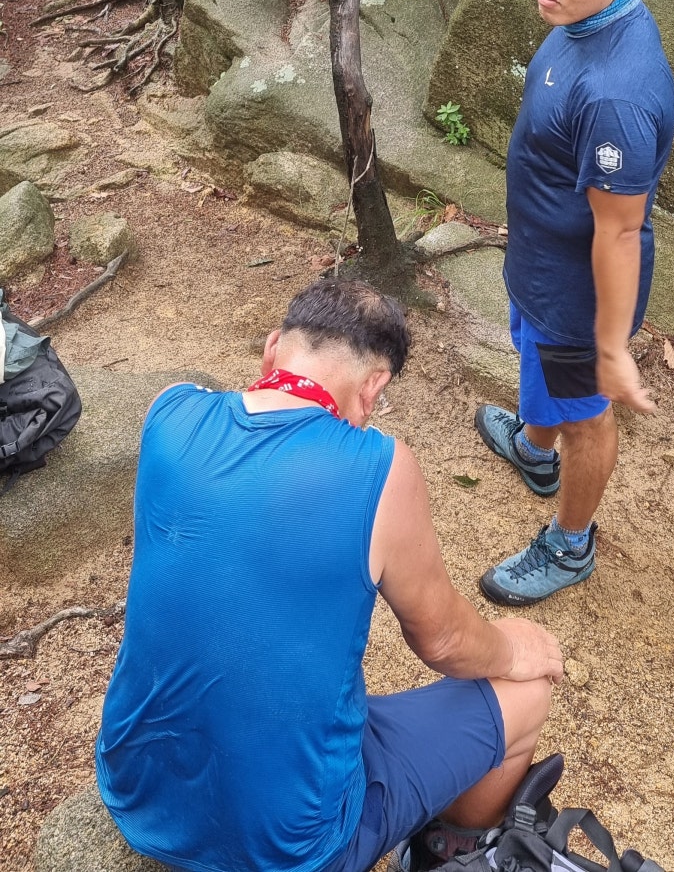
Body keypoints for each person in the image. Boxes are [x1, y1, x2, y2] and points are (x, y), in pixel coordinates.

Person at [96, 278, 563, 872]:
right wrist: (513, 647)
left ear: (272, 350)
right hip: (292, 845)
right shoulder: (379, 466)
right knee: (528, 692)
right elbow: (443, 641)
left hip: (137, 792)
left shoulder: (170, 410)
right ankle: (446, 849)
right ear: (373, 388)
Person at [475, 0, 674, 605]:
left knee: (586, 415)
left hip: (575, 296)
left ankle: (570, 543)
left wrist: (612, 348)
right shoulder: (586, 19)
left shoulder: (618, 94)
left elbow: (621, 233)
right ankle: (535, 451)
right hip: (541, 262)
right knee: (544, 384)